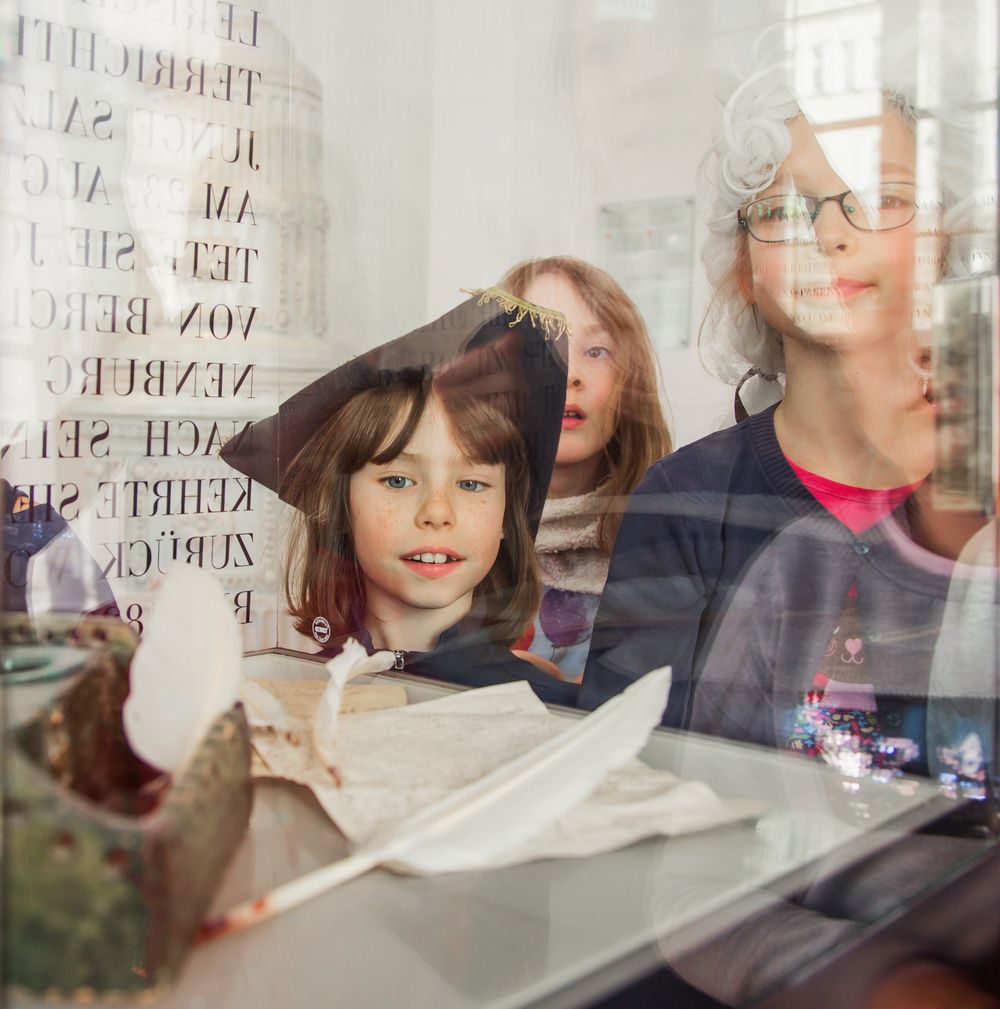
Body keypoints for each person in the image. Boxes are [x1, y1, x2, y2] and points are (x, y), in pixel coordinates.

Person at [222, 288, 578, 706]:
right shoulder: (287, 700)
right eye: (397, 480)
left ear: (506, 515)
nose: (437, 513)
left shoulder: (549, 710)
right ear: (341, 507)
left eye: (471, 484)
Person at [501, 256, 672, 681]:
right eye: (539, 349)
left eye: (596, 351)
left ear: (630, 379)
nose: (569, 375)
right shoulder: (441, 533)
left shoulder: (675, 540)